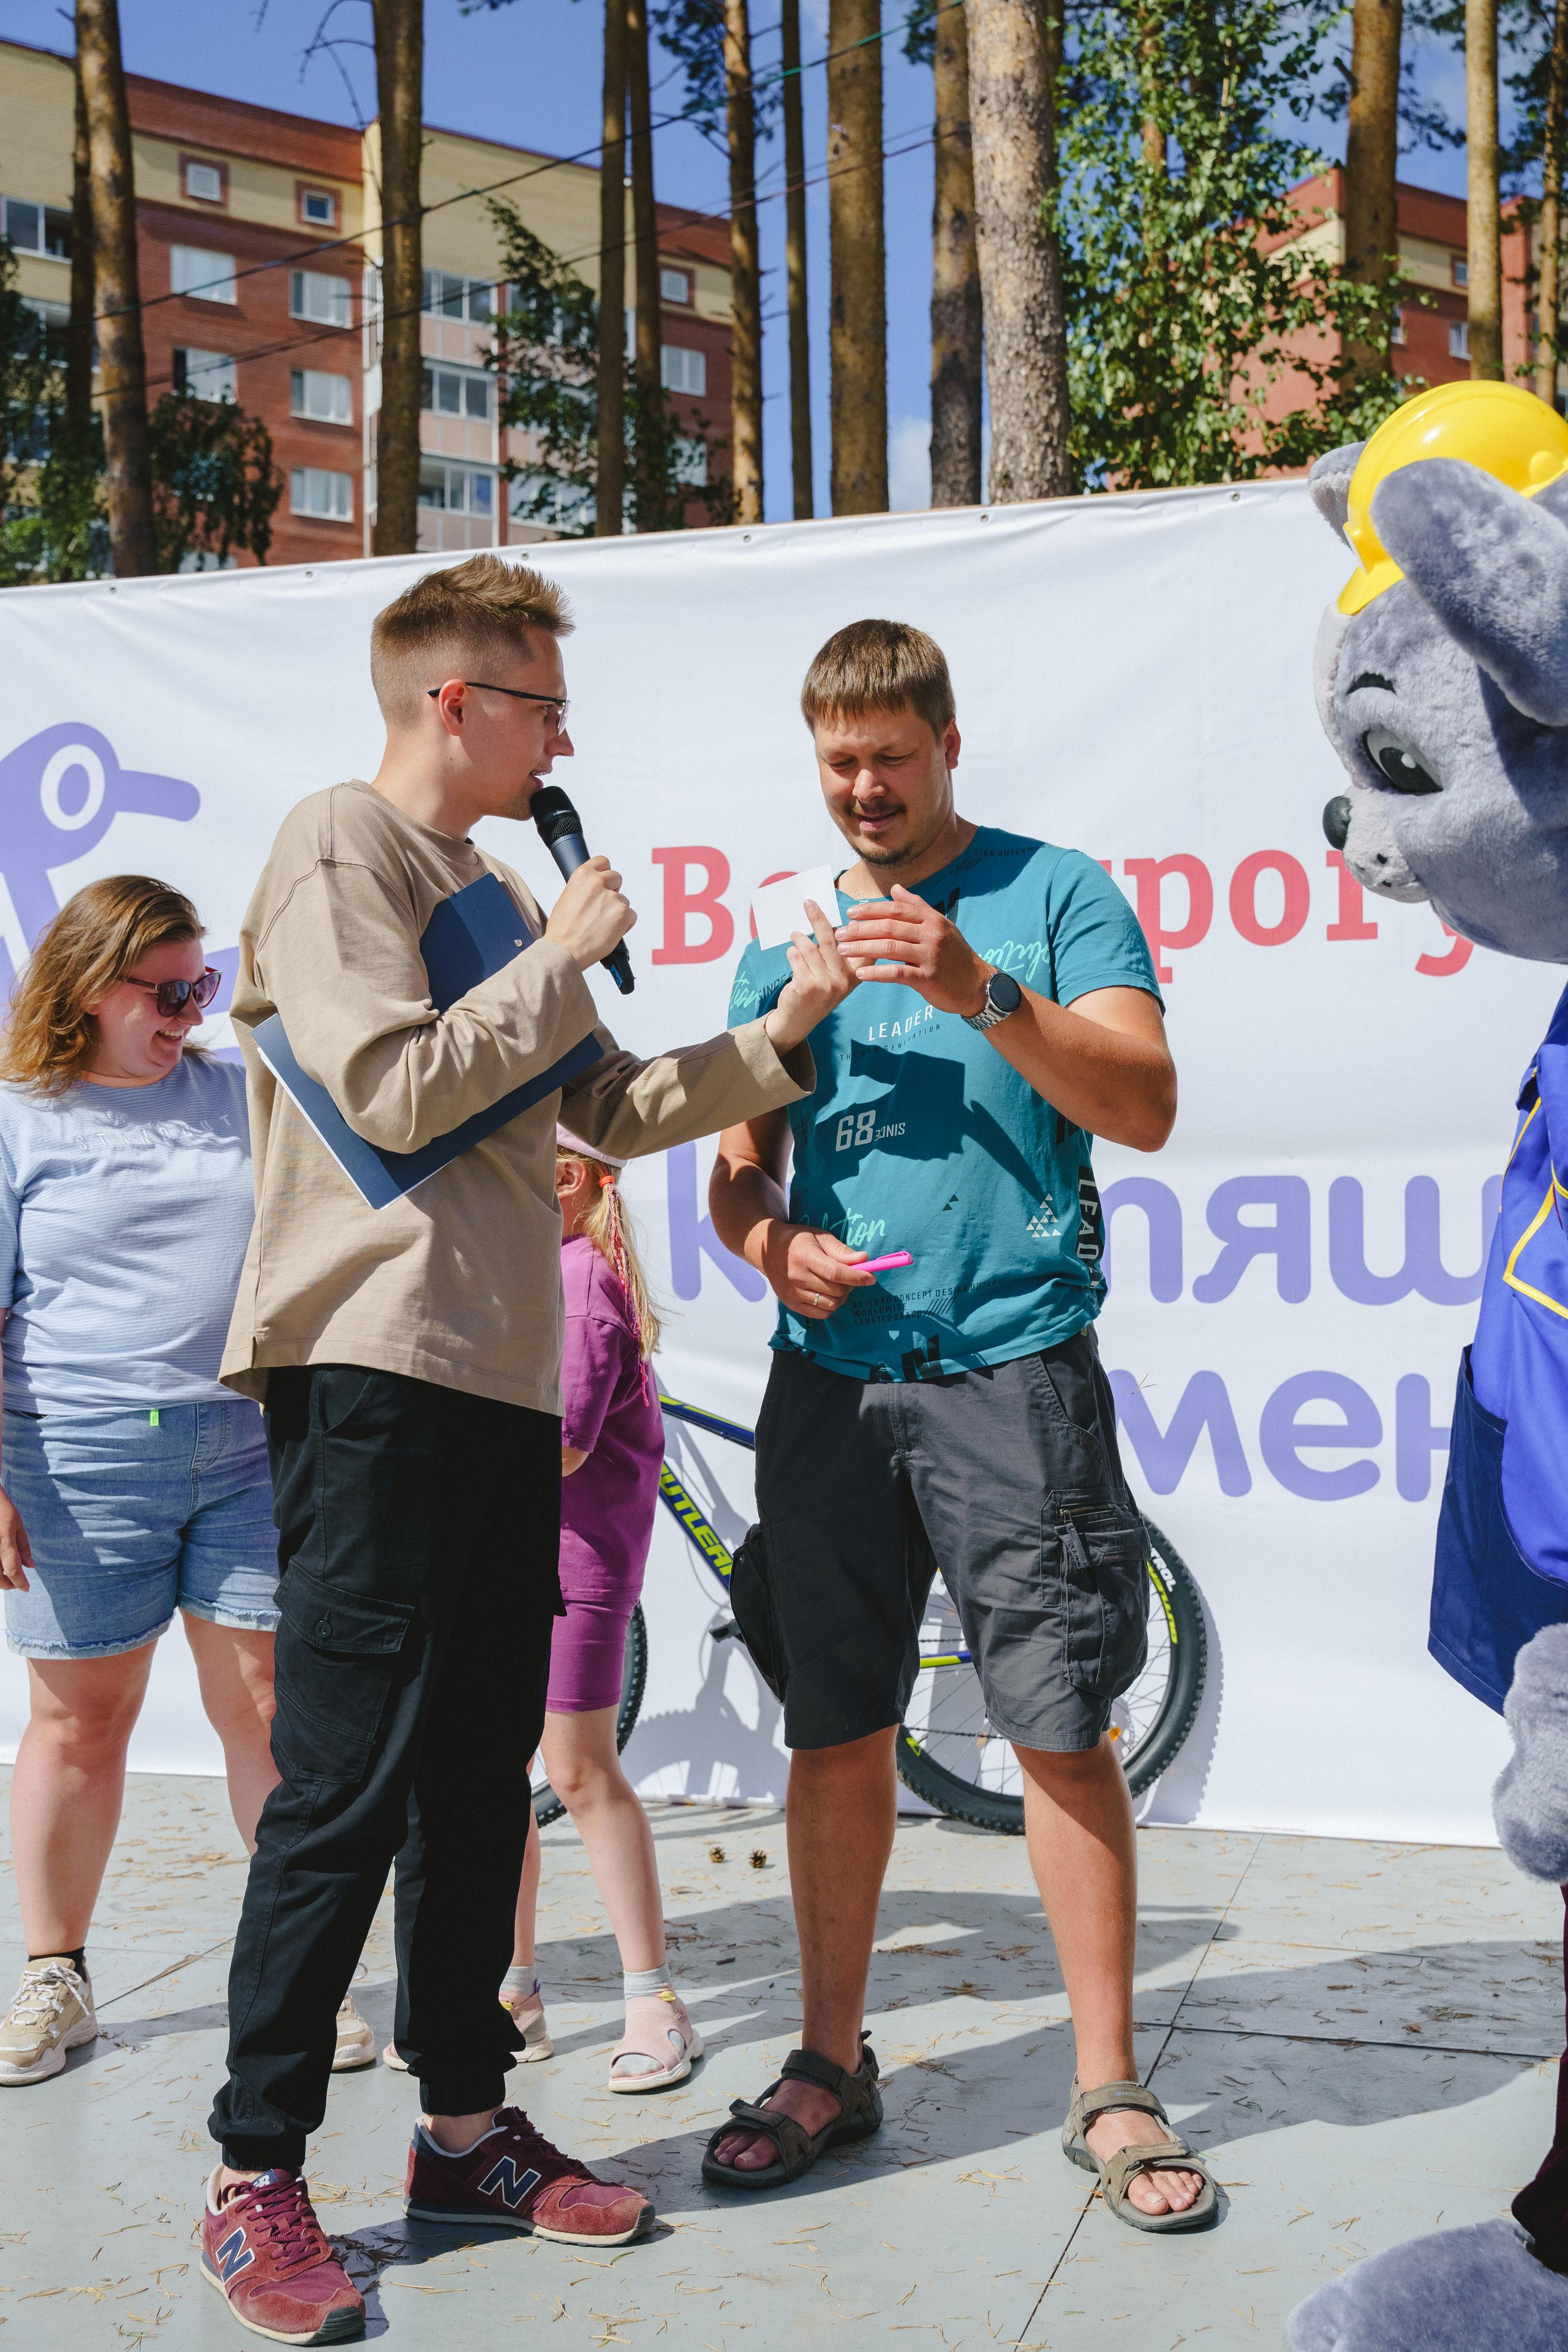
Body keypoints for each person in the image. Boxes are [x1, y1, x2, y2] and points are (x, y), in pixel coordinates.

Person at [200, 554, 846, 2346]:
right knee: (344, 1781)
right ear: (453, 703)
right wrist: (555, 953)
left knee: (482, 1779)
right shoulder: (341, 847)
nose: (565, 743)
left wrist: (775, 1040)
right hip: (370, 1365)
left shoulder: (489, 889)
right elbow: (390, 1088)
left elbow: (602, 1109)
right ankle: (255, 2170)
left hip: (498, 1379)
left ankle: (466, 2135)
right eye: (544, 707)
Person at [704, 620, 1217, 2233]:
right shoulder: (785, 935)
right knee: (832, 1727)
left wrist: (976, 987)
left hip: (1013, 1374)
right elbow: (734, 1173)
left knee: (1057, 1723)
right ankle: (827, 2061)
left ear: (946, 747)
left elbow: (1142, 1104)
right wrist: (771, 1243)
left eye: (890, 758)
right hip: (828, 1384)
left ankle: (1110, 2085)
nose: (863, 788)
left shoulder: (1054, 895)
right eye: (837, 763)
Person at [0, 879, 292, 2083]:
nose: (190, 1013)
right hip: (76, 1457)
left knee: (268, 1710)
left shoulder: (237, 1091)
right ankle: (54, 1976)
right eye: (166, 993)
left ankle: (300, 1977)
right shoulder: (20, 1118)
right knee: (83, 1719)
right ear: (85, 987)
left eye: (200, 986)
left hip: (248, 1447)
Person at [389, 1128, 698, 2089]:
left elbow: (561, 1445)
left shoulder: (579, 1280)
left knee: (578, 1767)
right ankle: (512, 1992)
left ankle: (652, 1997)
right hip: (520, 1559)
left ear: (566, 1181)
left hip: (572, 1564)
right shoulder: (548, 1272)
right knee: (503, 1769)